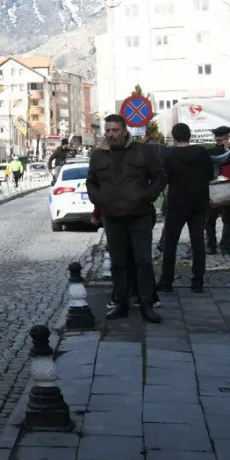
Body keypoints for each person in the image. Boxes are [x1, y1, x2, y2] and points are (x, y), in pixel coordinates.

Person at [87, 114, 167, 323]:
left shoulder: (142, 152)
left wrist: (147, 196)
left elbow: (160, 176)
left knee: (143, 261)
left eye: (115, 130)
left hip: (139, 215)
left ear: (124, 131)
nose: (111, 134)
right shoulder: (98, 156)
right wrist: (99, 200)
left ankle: (146, 303)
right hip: (113, 216)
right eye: (108, 130)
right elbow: (91, 182)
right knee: (118, 263)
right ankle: (120, 303)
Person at [157, 123, 215, 294]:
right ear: (189, 135)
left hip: (177, 204)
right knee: (198, 242)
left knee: (170, 243)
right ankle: (198, 282)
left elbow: (165, 178)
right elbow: (211, 174)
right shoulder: (202, 153)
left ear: (174, 137)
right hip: (199, 203)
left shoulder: (170, 155)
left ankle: (167, 281)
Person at [207, 125, 230, 255]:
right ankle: (211, 246)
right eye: (216, 136)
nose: (218, 138)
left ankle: (225, 246)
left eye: (221, 136)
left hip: (228, 190)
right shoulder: (209, 152)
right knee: (209, 220)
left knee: (228, 221)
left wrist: (228, 149)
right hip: (213, 190)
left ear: (227, 137)